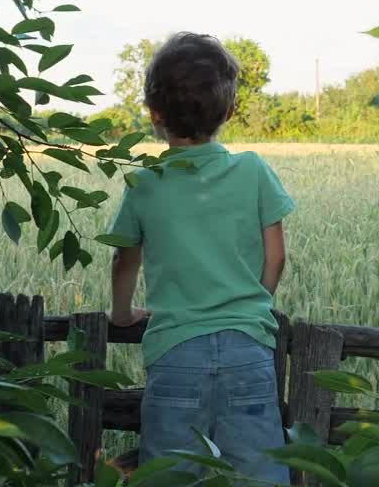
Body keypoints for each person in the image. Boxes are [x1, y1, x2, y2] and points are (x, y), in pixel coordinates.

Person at [106, 32, 292, 481]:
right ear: (228, 111)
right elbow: (277, 257)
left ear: (153, 113)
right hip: (248, 350)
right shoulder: (253, 170)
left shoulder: (145, 182)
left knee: (170, 474)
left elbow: (124, 261)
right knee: (258, 472)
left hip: (175, 354)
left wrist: (122, 313)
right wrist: (253, 302)